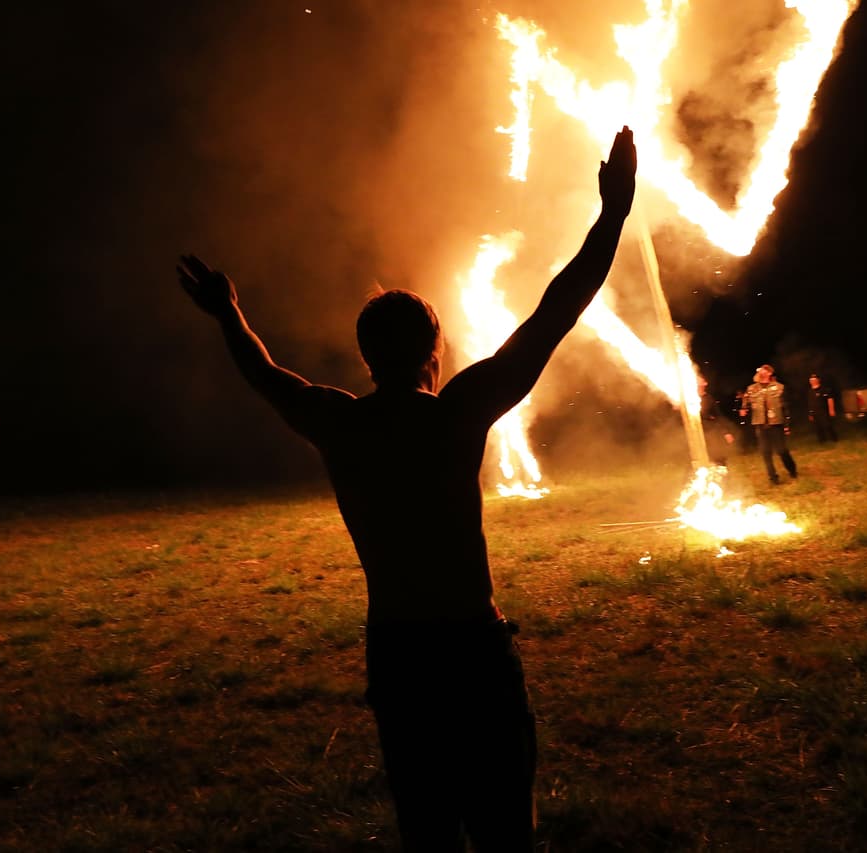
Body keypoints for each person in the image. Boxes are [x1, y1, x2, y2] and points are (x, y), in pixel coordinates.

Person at [178, 127, 637, 850]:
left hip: (399, 652)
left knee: (427, 828)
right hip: (471, 650)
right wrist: (612, 215)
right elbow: (556, 312)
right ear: (436, 348)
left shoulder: (339, 423)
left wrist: (229, 313)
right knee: (504, 829)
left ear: (366, 355)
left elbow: (265, 376)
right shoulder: (458, 413)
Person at [740, 364, 797, 485]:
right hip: (760, 425)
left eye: (764, 370)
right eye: (760, 369)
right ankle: (773, 478)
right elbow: (746, 404)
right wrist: (744, 409)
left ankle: (792, 469)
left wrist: (787, 425)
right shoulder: (751, 389)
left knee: (781, 450)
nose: (761, 371)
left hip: (776, 424)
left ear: (770, 373)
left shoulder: (779, 387)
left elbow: (785, 407)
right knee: (765, 452)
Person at [698, 377, 735, 465]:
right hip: (697, 433)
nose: (698, 383)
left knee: (717, 456)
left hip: (711, 431)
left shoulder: (708, 398)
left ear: (705, 384)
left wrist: (726, 433)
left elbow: (718, 416)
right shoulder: (688, 398)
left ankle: (721, 474)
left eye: (701, 381)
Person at [806, 373, 838, 443]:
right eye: (811, 380)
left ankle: (834, 439)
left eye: (814, 380)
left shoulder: (825, 389)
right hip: (815, 412)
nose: (812, 381)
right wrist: (810, 413)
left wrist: (831, 410)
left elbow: (830, 399)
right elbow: (810, 403)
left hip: (824, 411)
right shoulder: (810, 391)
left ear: (818, 380)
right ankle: (822, 441)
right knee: (818, 427)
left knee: (828, 425)